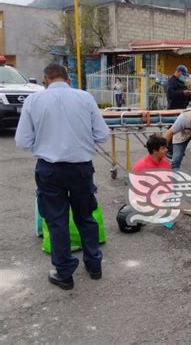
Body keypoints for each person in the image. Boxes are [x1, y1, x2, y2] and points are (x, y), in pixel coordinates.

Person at [15, 63, 109, 290]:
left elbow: (22, 141)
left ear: (45, 80)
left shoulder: (34, 101)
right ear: (68, 80)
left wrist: (46, 142)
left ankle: (64, 273)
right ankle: (94, 265)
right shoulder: (85, 98)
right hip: (81, 169)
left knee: (57, 221)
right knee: (85, 216)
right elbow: (103, 135)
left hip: (50, 169)